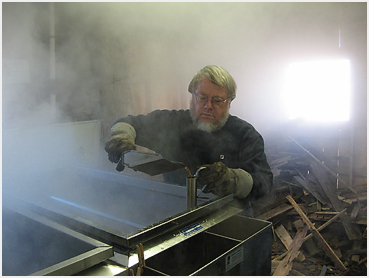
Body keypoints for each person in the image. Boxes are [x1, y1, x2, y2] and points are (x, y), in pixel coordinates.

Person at [104, 65, 273, 216]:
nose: (208, 106)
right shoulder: (172, 124)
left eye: (217, 100)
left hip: (229, 220)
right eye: (202, 98)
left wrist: (233, 180)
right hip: (177, 215)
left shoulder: (245, 134)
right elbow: (127, 123)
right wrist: (121, 139)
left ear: (229, 102)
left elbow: (264, 184)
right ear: (192, 97)